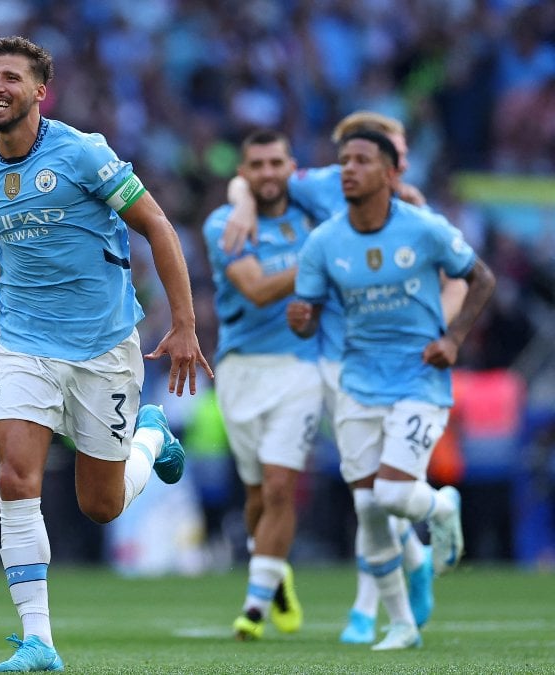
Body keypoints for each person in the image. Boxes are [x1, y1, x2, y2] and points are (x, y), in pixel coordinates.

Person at [0, 36, 212, 672]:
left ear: (39, 92)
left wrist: (183, 323)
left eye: (11, 78)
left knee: (99, 506)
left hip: (105, 345)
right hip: (23, 343)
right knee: (14, 478)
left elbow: (158, 226)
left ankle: (150, 439)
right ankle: (39, 641)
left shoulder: (82, 153)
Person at [222, 111, 460, 643]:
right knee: (366, 494)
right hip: (331, 357)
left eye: (393, 150)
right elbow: (259, 172)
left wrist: (442, 331)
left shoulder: (414, 212)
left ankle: (370, 605)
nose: (386, 159)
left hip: (396, 365)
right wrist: (240, 199)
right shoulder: (325, 186)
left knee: (382, 488)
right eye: (366, 151)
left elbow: (460, 275)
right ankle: (409, 565)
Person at [289, 129, 496, 651]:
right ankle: (401, 625)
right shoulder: (323, 242)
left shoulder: (423, 229)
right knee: (369, 512)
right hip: (357, 383)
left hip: (418, 379)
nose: (348, 170)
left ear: (391, 173)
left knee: (394, 494)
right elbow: (309, 318)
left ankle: (443, 508)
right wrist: (302, 319)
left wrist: (453, 337)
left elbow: (482, 278)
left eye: (362, 160)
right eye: (344, 161)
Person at [203, 130, 320, 640]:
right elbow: (254, 289)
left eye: (277, 162)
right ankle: (275, 573)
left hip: (300, 366)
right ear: (243, 173)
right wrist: (323, 260)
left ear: (291, 167)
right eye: (258, 164)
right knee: (255, 495)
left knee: (278, 486)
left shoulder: (314, 215)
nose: (268, 173)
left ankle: (252, 608)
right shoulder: (224, 224)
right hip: (240, 369)